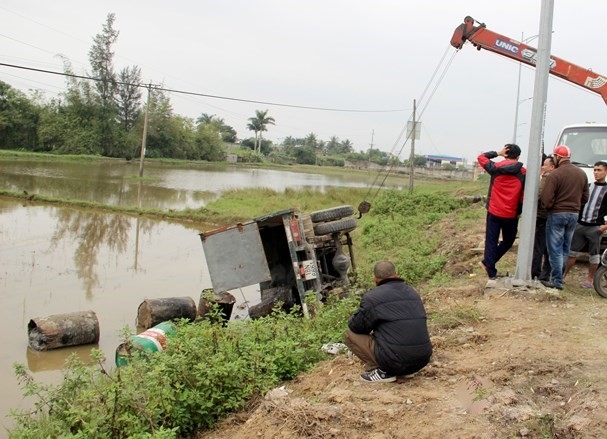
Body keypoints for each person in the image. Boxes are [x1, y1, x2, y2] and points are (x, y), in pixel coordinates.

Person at [344, 261, 432, 383]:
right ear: (396, 274)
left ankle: (384, 371)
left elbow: (356, 327)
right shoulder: (412, 292)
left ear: (375, 279)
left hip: (394, 360)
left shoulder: (372, 297)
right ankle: (406, 371)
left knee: (349, 335)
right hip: (422, 359)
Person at [540, 145, 589, 290]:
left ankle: (557, 281)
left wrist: (548, 208)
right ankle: (559, 278)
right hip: (573, 215)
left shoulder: (555, 174)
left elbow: (546, 198)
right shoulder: (581, 174)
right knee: (565, 248)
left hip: (557, 214)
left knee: (555, 249)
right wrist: (575, 207)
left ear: (558, 157)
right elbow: (585, 197)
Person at [477, 144, 526, 279]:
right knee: (508, 240)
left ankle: (490, 269)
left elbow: (481, 157)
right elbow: (523, 195)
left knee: (491, 241)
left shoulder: (495, 168)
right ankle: (487, 263)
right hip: (511, 213)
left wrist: (497, 153)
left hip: (493, 211)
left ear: (506, 154)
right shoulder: (523, 172)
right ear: (518, 156)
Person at [563, 161, 607, 287]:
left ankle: (590, 280)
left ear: (605, 172)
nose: (596, 173)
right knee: (572, 253)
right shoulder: (587, 186)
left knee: (594, 256)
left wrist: (604, 226)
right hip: (580, 224)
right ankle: (563, 275)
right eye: (595, 170)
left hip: (595, 227)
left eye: (599, 170)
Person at [532, 155, 555, 281]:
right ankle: (546, 273)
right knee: (549, 247)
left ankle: (535, 272)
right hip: (552, 216)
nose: (542, 167)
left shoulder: (547, 178)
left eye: (545, 165)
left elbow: (540, 195)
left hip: (543, 216)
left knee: (539, 246)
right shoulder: (558, 177)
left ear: (551, 166)